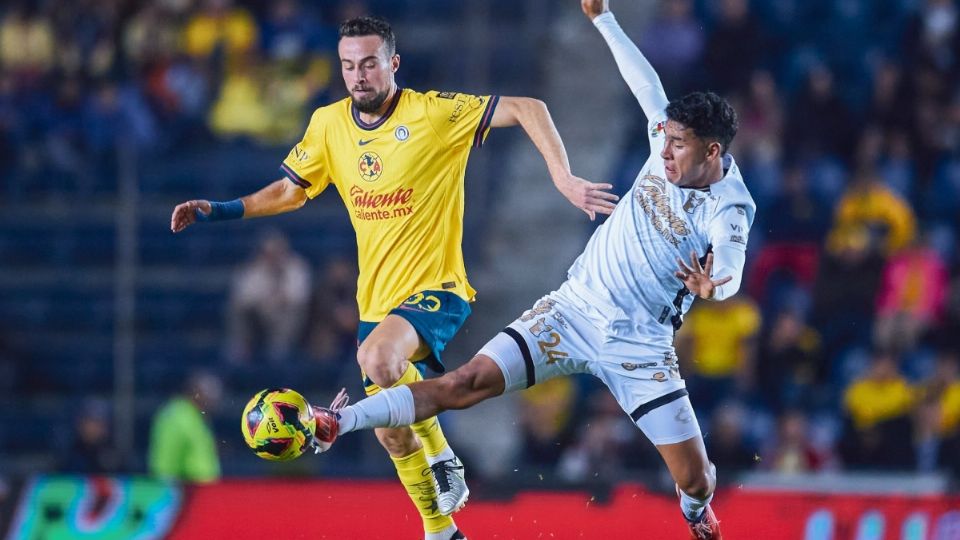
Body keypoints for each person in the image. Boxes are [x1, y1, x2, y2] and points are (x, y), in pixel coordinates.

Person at [312, 3, 754, 538]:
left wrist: (717, 286)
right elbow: (643, 78)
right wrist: (604, 19)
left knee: (699, 478)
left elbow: (730, 266)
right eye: (664, 138)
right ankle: (340, 421)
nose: (663, 151)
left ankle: (693, 510)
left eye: (678, 146)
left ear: (711, 151)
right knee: (465, 382)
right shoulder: (668, 135)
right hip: (571, 311)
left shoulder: (730, 207)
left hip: (641, 347)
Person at [170, 15, 616, 540]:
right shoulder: (329, 124)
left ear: (392, 64)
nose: (358, 76)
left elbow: (527, 107)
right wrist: (219, 209)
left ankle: (446, 457)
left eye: (369, 64)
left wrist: (563, 179)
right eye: (348, 66)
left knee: (379, 360)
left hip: (437, 290)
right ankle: (440, 530)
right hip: (375, 305)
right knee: (393, 434)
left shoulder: (433, 113)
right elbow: (292, 190)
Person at [148, 371, 223, 483]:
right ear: (195, 391)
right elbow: (165, 465)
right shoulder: (177, 416)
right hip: (188, 493)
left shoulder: (196, 416)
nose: (213, 400)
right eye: (209, 393)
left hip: (203, 492)